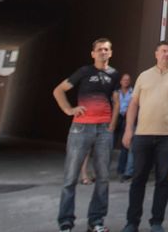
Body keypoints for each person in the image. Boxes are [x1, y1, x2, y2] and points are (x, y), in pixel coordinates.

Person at [122, 40, 168, 232]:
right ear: (156, 53)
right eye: (164, 51)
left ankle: (157, 221)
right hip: (143, 134)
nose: (167, 54)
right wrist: (129, 129)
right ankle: (132, 222)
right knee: (138, 179)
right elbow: (134, 104)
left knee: (162, 180)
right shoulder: (144, 76)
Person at [52, 38, 117, 232]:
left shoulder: (114, 74)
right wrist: (68, 109)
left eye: (106, 49)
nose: (103, 52)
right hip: (81, 128)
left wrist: (112, 125)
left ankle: (96, 222)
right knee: (70, 178)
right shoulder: (84, 72)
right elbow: (59, 90)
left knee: (103, 178)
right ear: (93, 54)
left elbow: (116, 101)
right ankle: (66, 223)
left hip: (104, 130)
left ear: (111, 53)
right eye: (99, 49)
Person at [114, 72, 134, 180]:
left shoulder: (133, 92)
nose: (126, 81)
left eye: (128, 80)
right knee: (111, 143)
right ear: (121, 81)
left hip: (127, 118)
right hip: (116, 118)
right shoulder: (116, 92)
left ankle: (121, 170)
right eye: (124, 80)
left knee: (125, 145)